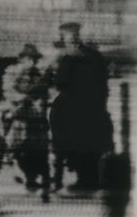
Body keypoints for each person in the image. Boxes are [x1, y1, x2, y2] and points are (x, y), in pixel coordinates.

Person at [48, 22, 114, 191]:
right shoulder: (95, 55)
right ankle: (89, 178)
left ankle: (82, 179)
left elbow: (60, 83)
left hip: (74, 113)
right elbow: (103, 84)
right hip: (95, 110)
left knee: (64, 132)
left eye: (64, 37)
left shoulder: (69, 58)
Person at [0, 43, 51, 192]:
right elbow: (8, 91)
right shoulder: (12, 72)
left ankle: (34, 175)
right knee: (17, 144)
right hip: (16, 114)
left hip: (34, 117)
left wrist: (37, 103)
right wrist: (22, 99)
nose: (32, 62)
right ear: (22, 59)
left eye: (34, 59)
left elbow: (45, 94)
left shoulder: (38, 75)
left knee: (37, 146)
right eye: (28, 59)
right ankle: (23, 172)